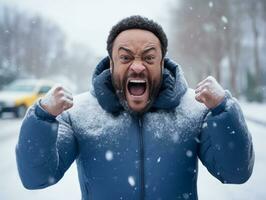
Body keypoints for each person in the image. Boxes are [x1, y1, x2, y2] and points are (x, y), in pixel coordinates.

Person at [16, 15, 254, 200]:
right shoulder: (78, 114)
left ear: (162, 64)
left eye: (149, 58)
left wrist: (224, 109)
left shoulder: (195, 109)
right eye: (126, 57)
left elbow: (235, 172)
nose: (138, 67)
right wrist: (42, 116)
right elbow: (36, 178)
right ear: (111, 63)